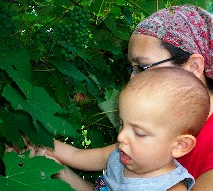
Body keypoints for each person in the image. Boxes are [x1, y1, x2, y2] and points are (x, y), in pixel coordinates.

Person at [24, 5, 213, 191]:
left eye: (142, 67)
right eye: (132, 68)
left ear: (194, 66)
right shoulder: (145, 135)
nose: (132, 80)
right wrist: (32, 142)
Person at [39, 67, 209, 191]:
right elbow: (75, 155)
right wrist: (36, 140)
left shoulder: (170, 188)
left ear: (180, 145)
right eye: (122, 123)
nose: (121, 137)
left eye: (139, 133)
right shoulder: (119, 153)